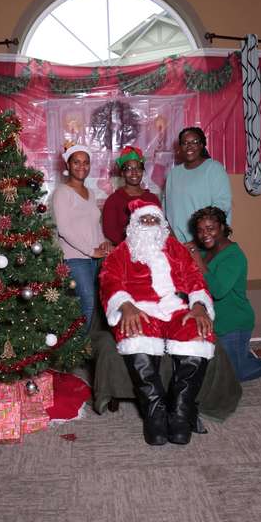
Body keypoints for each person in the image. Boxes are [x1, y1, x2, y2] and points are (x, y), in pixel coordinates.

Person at [99, 198, 215, 446]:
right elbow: (110, 282)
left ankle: (180, 415)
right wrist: (126, 305)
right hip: (139, 308)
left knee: (197, 333)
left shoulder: (175, 248)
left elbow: (195, 278)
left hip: (175, 308)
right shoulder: (121, 252)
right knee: (135, 335)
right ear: (134, 224)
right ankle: (155, 415)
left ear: (162, 223)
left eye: (154, 219)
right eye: (144, 219)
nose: (150, 223)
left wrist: (198, 305)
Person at [187, 206, 261, 380]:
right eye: (200, 230)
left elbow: (218, 291)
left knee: (232, 375)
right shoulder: (205, 251)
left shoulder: (234, 256)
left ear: (222, 228)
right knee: (209, 367)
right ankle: (258, 353)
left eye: (210, 228)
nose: (204, 234)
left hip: (234, 324)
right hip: (214, 323)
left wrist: (197, 261)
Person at [52, 144, 112, 332]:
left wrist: (102, 241)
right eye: (76, 162)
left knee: (91, 306)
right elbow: (64, 229)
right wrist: (91, 250)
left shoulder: (91, 192)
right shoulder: (62, 192)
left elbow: (95, 224)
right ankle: (76, 351)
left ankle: (81, 349)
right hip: (74, 259)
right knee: (87, 303)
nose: (81, 167)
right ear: (68, 165)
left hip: (93, 260)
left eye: (86, 163)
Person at [165, 127, 232, 242]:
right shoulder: (173, 174)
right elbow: (166, 210)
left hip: (206, 241)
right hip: (179, 244)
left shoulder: (214, 169)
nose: (189, 146)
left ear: (202, 145)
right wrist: (174, 240)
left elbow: (222, 206)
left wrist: (199, 239)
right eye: (185, 143)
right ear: (180, 147)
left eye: (194, 142)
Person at [102, 146, 162, 246]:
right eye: (128, 169)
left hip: (152, 251)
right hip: (125, 252)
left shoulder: (152, 199)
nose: (134, 172)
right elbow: (110, 231)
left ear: (143, 171)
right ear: (122, 173)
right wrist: (133, 246)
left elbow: (160, 227)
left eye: (138, 168)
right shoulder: (113, 200)